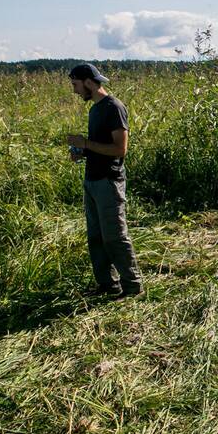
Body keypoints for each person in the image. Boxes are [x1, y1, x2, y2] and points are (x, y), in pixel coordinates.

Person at [66, 63, 142, 299]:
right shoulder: (95, 110)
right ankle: (108, 285)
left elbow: (120, 149)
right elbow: (101, 146)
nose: (75, 90)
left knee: (115, 236)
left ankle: (132, 287)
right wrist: (83, 152)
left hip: (109, 181)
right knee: (96, 237)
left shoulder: (114, 108)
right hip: (92, 180)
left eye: (76, 85)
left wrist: (86, 144)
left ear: (89, 82)